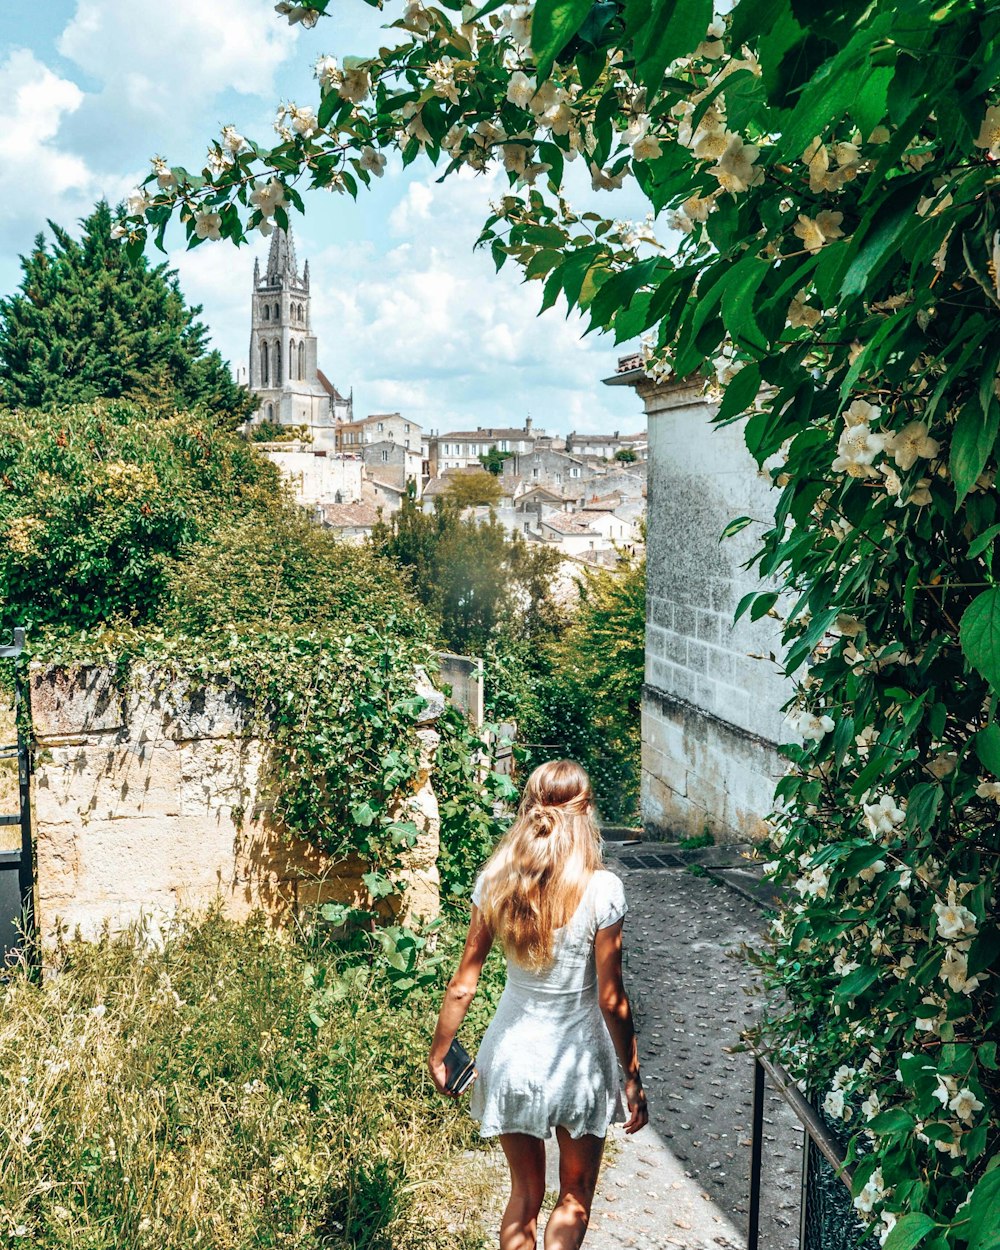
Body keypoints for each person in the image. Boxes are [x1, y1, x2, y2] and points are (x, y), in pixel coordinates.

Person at [428, 759, 648, 1250]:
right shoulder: (602, 888)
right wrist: (632, 1076)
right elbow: (612, 1000)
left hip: (512, 1056)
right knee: (574, 1194)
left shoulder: (495, 882)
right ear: (585, 811)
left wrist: (440, 1054)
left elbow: (464, 982)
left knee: (524, 1194)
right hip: (578, 1063)